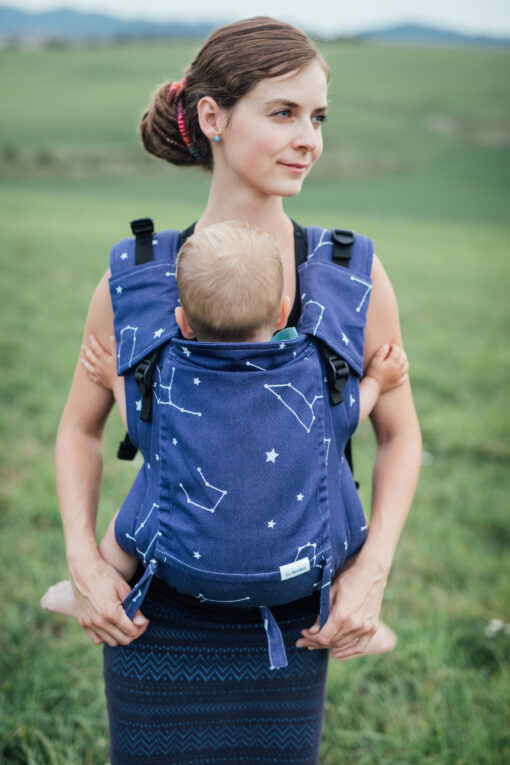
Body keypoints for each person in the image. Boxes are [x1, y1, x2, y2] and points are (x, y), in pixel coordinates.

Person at [53, 17, 421, 764]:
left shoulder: (351, 276)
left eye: (318, 117)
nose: (309, 138)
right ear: (214, 118)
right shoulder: (138, 278)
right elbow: (78, 429)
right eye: (283, 112)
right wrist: (85, 565)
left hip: (297, 620)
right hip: (152, 618)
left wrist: (371, 573)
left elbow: (401, 434)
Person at [42, 221, 408, 662]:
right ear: (282, 313)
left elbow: (140, 423)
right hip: (297, 571)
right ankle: (362, 618)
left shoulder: (171, 374)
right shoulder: (309, 374)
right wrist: (378, 380)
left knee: (127, 532)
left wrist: (111, 379)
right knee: (343, 526)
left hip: (182, 562)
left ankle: (88, 584)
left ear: (181, 322)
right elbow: (349, 414)